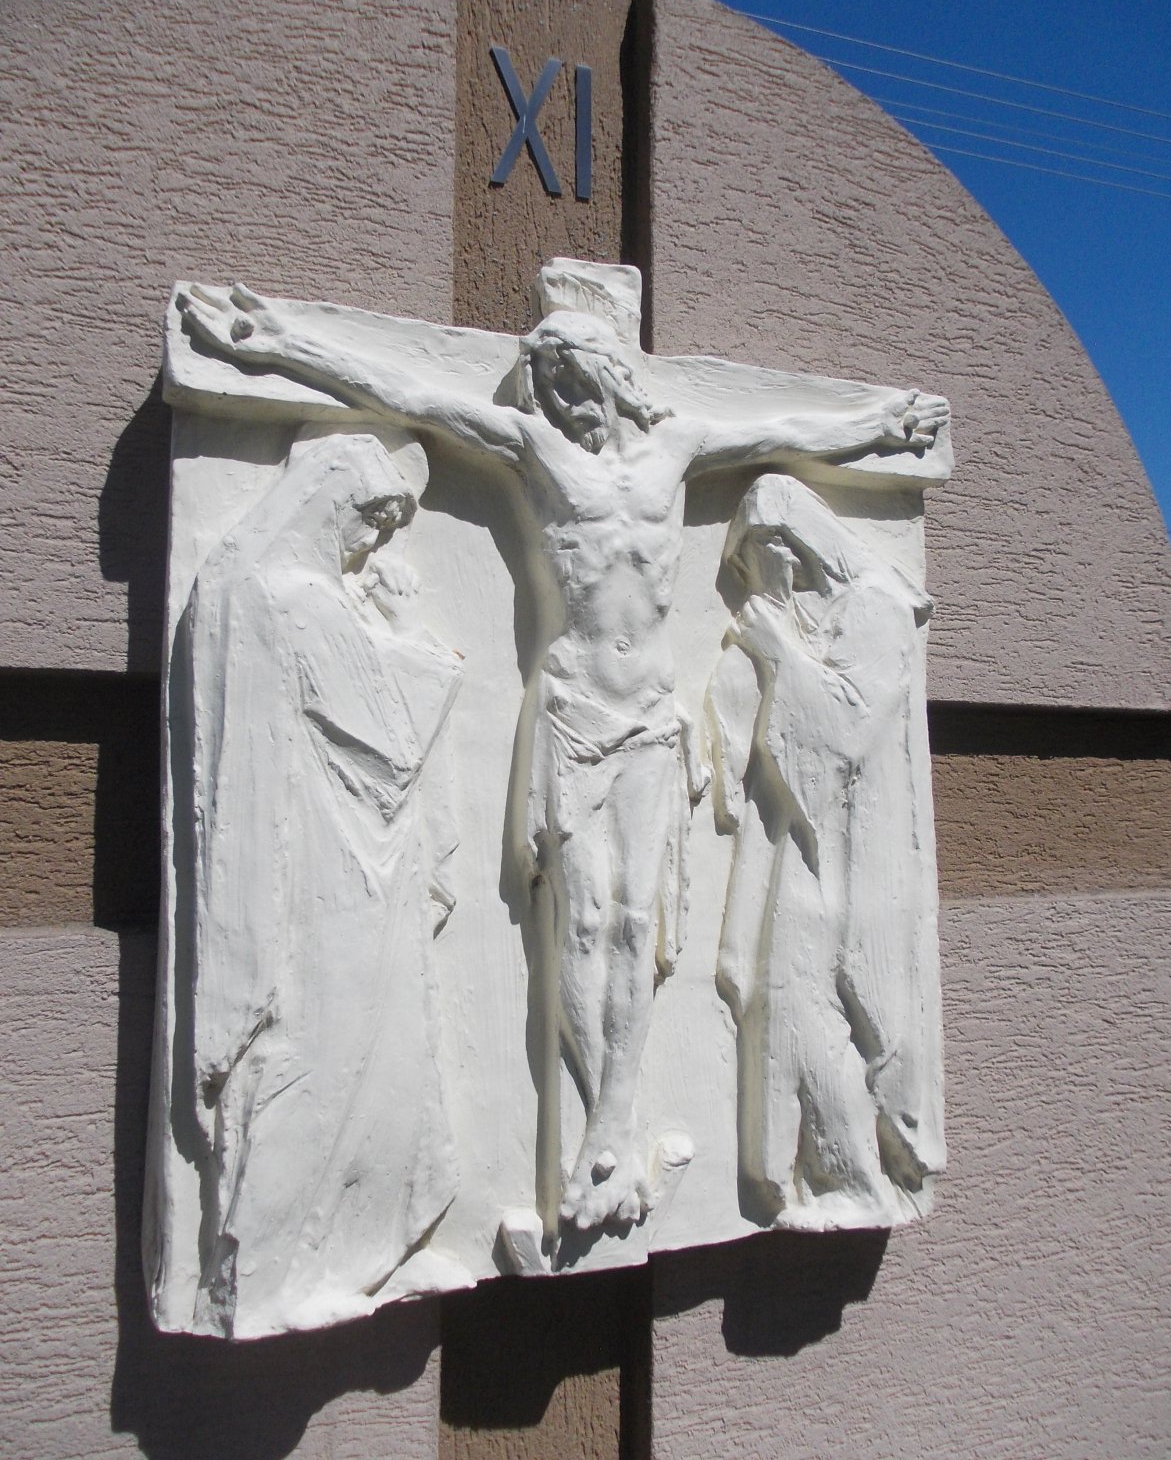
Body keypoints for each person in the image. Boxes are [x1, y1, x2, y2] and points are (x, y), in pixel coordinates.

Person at [177, 281, 949, 1233]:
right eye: (548, 391)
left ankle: (614, 1126)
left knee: (637, 923)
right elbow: (412, 394)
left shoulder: (676, 449)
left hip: (651, 719)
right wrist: (278, 340)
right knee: (580, 923)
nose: (564, 407)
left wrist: (881, 427)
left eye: (575, 386)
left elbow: (786, 430)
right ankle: (599, 1128)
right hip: (576, 711)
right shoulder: (536, 451)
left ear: (614, 379)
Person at [166, 430, 467, 1335]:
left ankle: (356, 1246)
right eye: (368, 524)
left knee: (369, 1067)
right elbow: (391, 743)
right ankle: (265, 1277)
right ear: (331, 505)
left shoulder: (248, 583)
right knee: (324, 1067)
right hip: (333, 881)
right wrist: (414, 646)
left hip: (345, 870)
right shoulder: (296, 598)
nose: (370, 546)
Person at [706, 475, 943, 1227]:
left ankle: (855, 1177)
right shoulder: (815, 617)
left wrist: (777, 648)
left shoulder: (873, 609)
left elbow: (845, 732)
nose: (759, 577)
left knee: (816, 1007)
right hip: (805, 849)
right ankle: (807, 1171)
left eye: (762, 555)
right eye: (745, 564)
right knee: (781, 998)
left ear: (798, 544)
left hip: (856, 858)